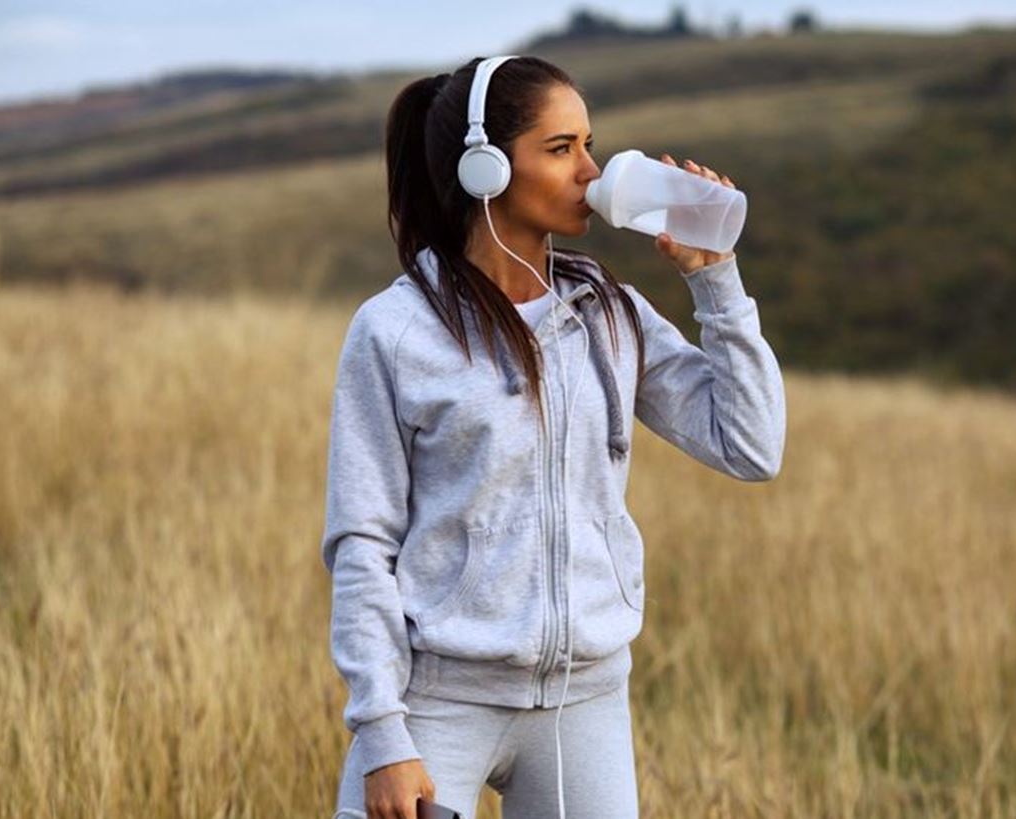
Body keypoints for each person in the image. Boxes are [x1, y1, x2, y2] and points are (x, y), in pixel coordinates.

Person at [322, 54, 787, 819]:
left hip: (585, 700)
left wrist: (716, 277)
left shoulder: (610, 313)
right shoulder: (395, 331)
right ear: (483, 167)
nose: (591, 171)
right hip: (440, 699)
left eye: (589, 145)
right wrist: (382, 736)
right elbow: (362, 542)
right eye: (561, 148)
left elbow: (750, 445)